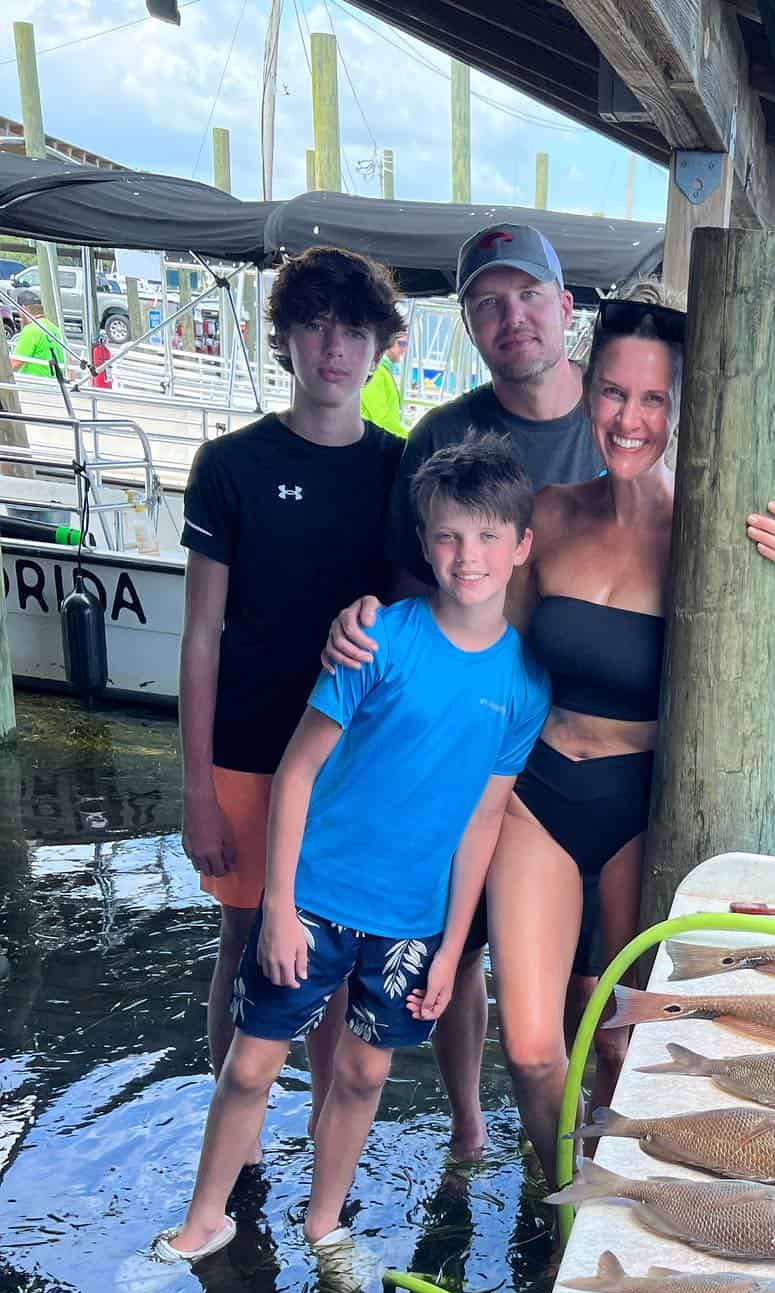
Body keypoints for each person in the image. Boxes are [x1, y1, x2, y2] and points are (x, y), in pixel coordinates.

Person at [155, 432, 550, 1264]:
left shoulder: (523, 685)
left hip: (411, 920)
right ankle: (205, 1218)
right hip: (319, 898)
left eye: (486, 537)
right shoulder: (379, 641)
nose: (466, 555)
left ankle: (323, 1219)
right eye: (447, 535)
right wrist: (280, 906)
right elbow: (297, 773)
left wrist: (450, 950)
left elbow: (484, 821)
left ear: (521, 546)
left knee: (366, 1076)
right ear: (423, 542)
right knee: (253, 1067)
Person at [486, 292, 775, 1187]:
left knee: (619, 1046)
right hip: (539, 793)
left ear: (679, 410)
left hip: (641, 804)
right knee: (530, 1050)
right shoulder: (549, 513)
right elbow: (495, 662)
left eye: (651, 400)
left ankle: (613, 1203)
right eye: (613, 393)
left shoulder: (708, 541)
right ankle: (568, 1196)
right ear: (587, 391)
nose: (629, 419)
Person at [331, 222, 613, 1160]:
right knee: (461, 936)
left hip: (588, 735)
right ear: (467, 324)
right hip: (475, 730)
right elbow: (410, 596)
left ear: (565, 309)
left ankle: (595, 1145)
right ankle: (466, 1121)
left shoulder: (618, 424)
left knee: (589, 978)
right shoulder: (443, 436)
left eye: (529, 295)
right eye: (488, 303)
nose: (512, 317)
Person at [179, 247, 405, 1163]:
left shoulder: (400, 470)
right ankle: (237, 1126)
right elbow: (200, 634)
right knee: (243, 935)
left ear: (382, 347)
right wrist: (195, 789)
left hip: (352, 763)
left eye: (354, 330)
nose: (334, 348)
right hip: (243, 747)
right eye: (314, 324)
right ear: (284, 340)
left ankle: (320, 1127)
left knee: (336, 951)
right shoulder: (229, 465)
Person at [361, 325, 408, 437]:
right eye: (401, 344)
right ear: (387, 344)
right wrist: (409, 439)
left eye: (406, 345)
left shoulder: (382, 371)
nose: (404, 349)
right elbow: (380, 420)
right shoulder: (376, 373)